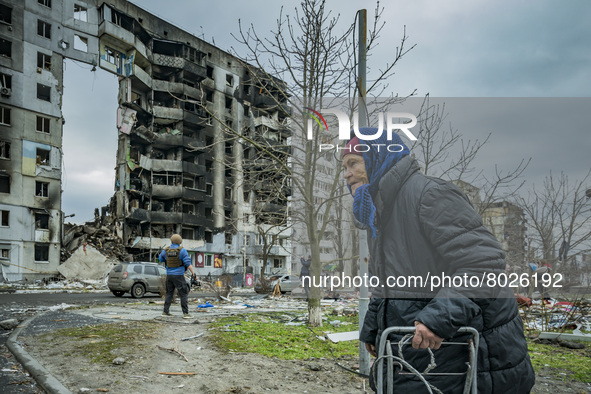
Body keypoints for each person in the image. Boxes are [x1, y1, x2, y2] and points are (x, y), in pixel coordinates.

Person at [342, 129, 535, 393]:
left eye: (353, 163)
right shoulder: (380, 213)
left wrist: (438, 319)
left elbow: (483, 265)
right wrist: (373, 326)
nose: (347, 174)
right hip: (422, 353)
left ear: (379, 158)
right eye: (344, 166)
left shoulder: (429, 195)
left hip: (468, 354)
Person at [159, 234, 197, 319]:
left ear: (171, 241)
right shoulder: (182, 251)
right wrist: (193, 274)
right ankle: (186, 313)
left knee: (169, 293)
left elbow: (160, 259)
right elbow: (188, 263)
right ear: (180, 242)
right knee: (183, 294)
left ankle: (165, 311)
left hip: (169, 275)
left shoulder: (166, 250)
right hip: (179, 276)